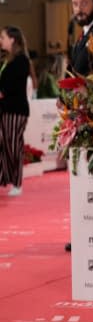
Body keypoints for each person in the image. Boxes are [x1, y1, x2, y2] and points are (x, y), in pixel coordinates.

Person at [0, 26, 31, 197]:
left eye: (3, 37)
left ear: (12, 39)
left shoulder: (21, 61)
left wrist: (2, 92)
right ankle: (5, 179)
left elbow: (12, 87)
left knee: (13, 146)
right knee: (5, 146)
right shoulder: (7, 60)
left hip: (16, 110)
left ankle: (17, 182)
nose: (1, 40)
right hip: (6, 109)